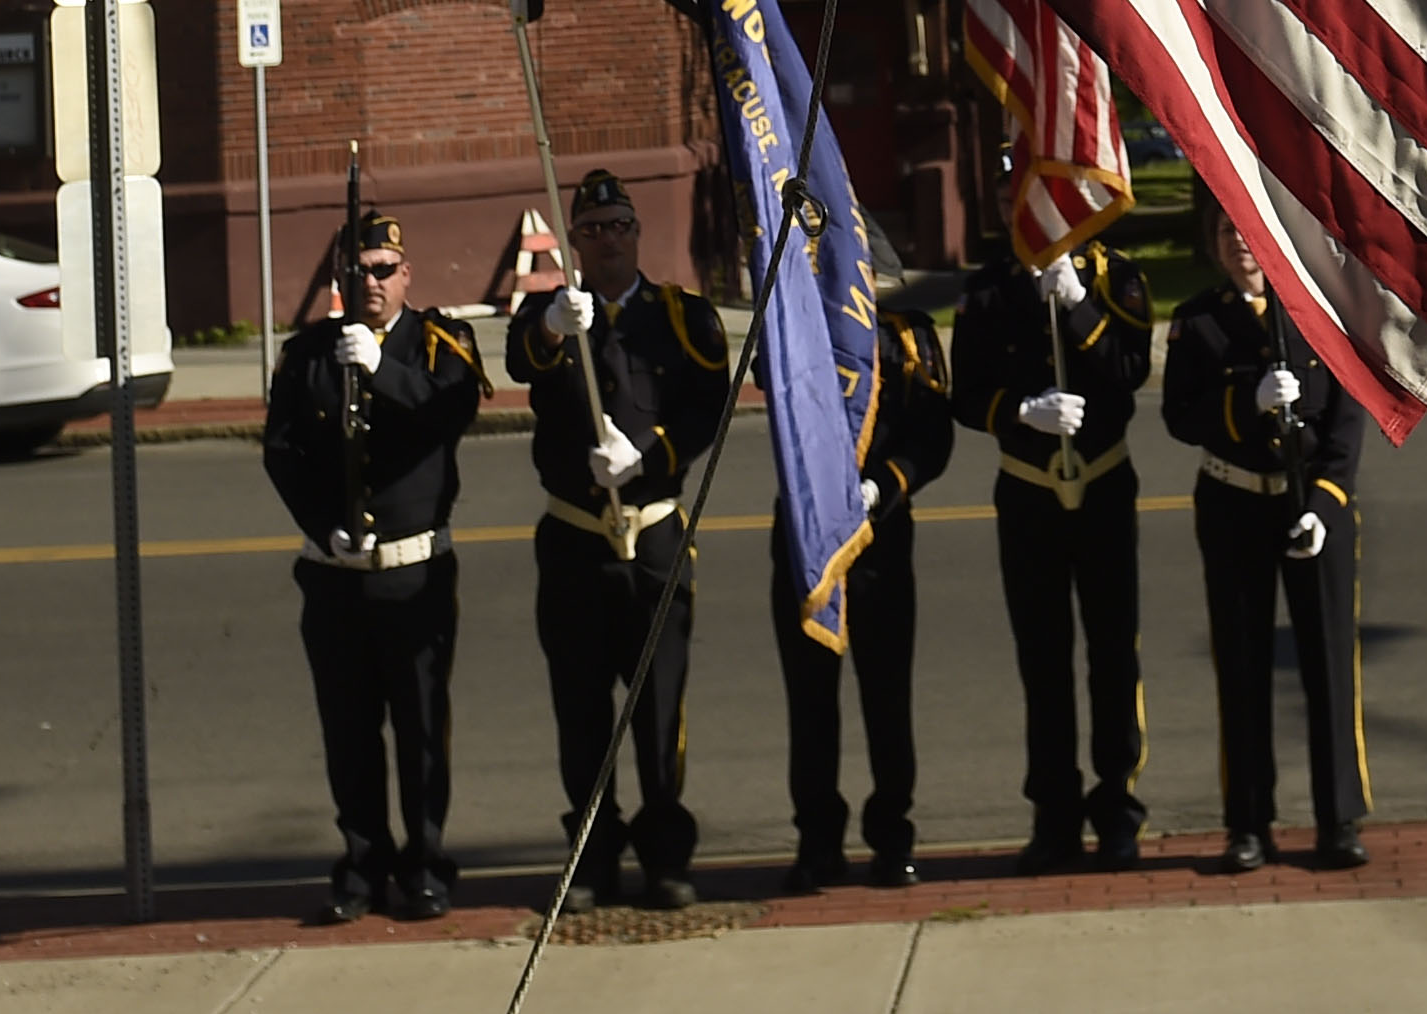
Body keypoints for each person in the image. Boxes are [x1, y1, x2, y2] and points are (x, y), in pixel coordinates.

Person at [509, 168, 729, 910]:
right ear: (573, 239)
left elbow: (708, 410)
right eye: (593, 227)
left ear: (638, 233)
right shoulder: (550, 315)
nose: (607, 238)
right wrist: (550, 327)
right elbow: (520, 359)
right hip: (574, 542)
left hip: (655, 536)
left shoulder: (680, 316)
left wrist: (652, 455)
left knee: (660, 710)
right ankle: (592, 854)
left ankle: (667, 855)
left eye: (619, 224)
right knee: (580, 711)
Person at [259, 208, 484, 923]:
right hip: (334, 574)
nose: (372, 283)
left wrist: (381, 369)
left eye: (384, 270)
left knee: (420, 731)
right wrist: (321, 527)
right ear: (338, 279)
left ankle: (424, 864)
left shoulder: (440, 340)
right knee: (348, 733)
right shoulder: (307, 354)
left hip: (412, 572)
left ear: (406, 273)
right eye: (357, 272)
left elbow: (448, 414)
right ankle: (360, 864)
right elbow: (282, 450)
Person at [1161, 205, 1372, 873]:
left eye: (1247, 232)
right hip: (1232, 506)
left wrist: (1324, 502)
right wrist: (1242, 403)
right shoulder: (1197, 320)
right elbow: (1179, 415)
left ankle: (1338, 819)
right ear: (1214, 245)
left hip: (1309, 509)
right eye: (1225, 232)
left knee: (1328, 666)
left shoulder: (1313, 307)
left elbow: (1347, 416)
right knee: (1243, 668)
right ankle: (1246, 823)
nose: (1238, 245)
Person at [952, 222, 1155, 874]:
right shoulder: (988, 288)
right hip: (1027, 490)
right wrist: (1018, 409)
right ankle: (1053, 814)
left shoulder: (1113, 277)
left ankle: (1117, 806)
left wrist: (1076, 304)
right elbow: (964, 395)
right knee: (1041, 662)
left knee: (1112, 652)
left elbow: (1128, 369)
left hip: (1101, 485)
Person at [772, 302, 954, 892]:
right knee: (811, 700)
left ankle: (892, 836)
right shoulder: (790, 318)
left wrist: (886, 483)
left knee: (886, 697)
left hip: (881, 535)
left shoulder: (906, 334)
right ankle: (817, 841)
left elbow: (934, 435)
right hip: (806, 536)